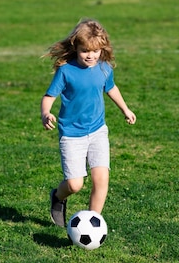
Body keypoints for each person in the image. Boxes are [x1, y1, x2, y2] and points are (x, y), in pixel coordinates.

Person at [40, 18, 136, 227]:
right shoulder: (66, 71)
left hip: (98, 131)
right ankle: (58, 197)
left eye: (95, 51)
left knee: (101, 180)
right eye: (85, 51)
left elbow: (111, 88)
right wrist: (46, 113)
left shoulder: (104, 68)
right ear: (76, 48)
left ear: (102, 49)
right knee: (75, 185)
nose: (91, 56)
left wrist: (125, 109)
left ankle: (93, 224)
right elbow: (48, 97)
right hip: (72, 134)